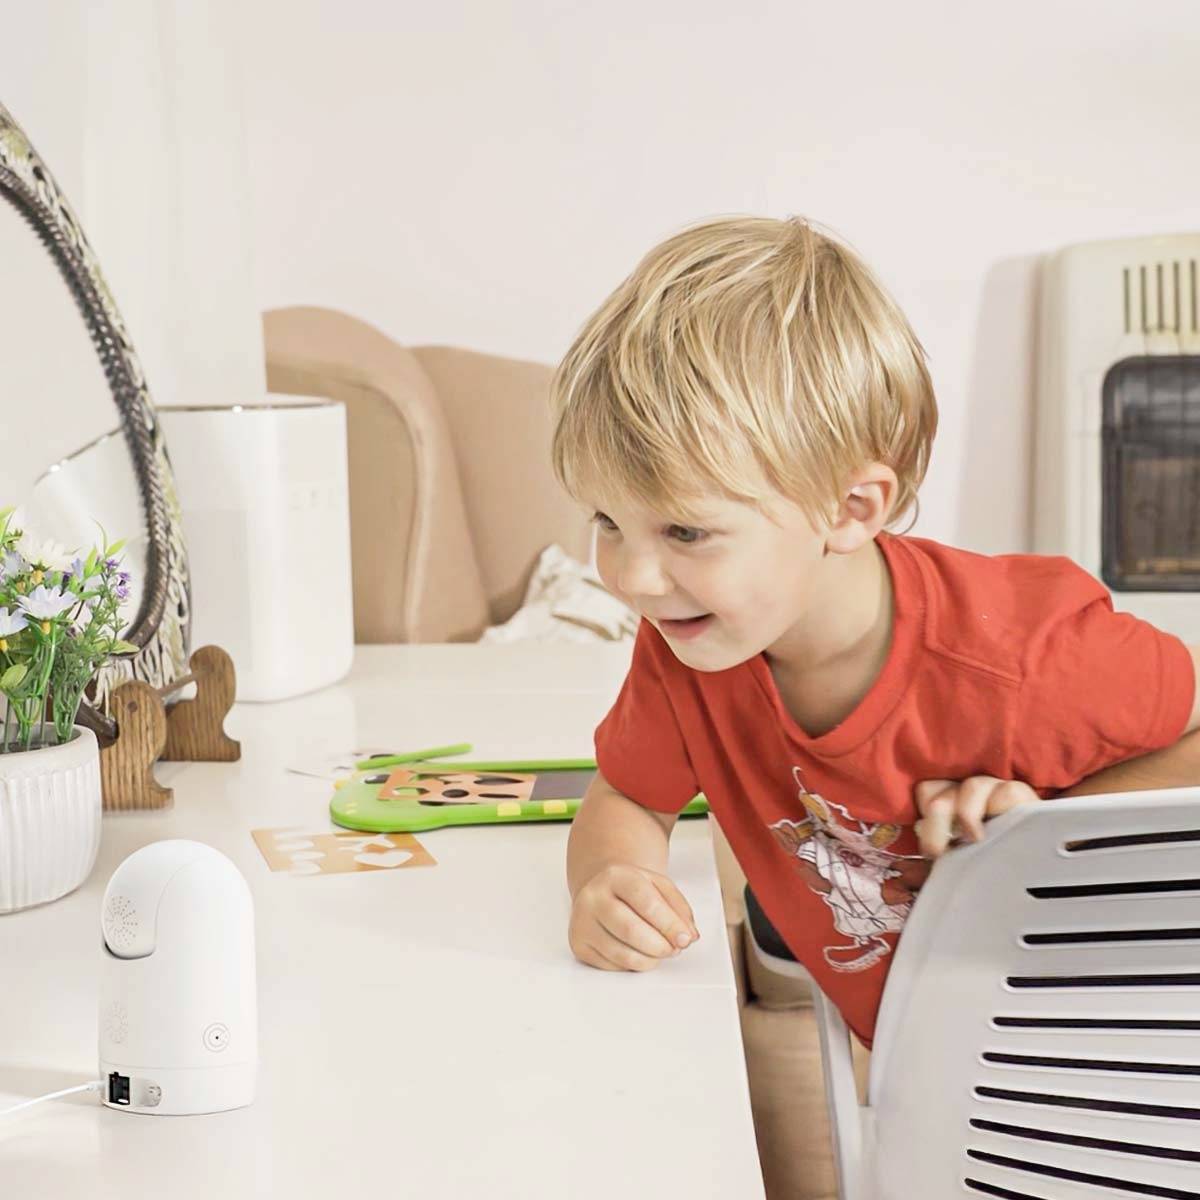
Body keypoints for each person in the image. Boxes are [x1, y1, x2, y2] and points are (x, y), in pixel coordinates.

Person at [551, 215, 1200, 1047]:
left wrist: (1044, 822)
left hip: (1096, 1060)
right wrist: (610, 880)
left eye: (684, 532)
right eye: (607, 519)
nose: (631, 580)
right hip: (917, 1058)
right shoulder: (693, 641)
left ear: (852, 509)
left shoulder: (1028, 660)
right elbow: (632, 795)